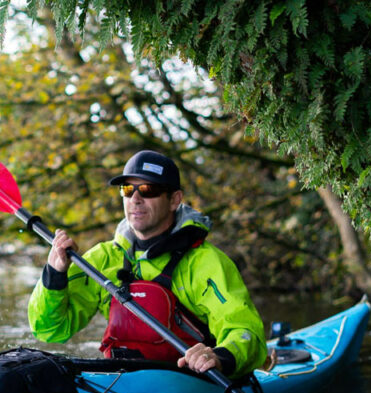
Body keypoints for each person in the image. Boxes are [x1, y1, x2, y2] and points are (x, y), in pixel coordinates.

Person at [28, 150, 267, 377]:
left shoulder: (206, 262)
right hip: (124, 385)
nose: (135, 198)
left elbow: (245, 331)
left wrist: (220, 357)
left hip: (192, 382)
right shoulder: (101, 259)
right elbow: (50, 329)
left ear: (174, 199)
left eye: (148, 189)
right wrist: (54, 274)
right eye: (127, 189)